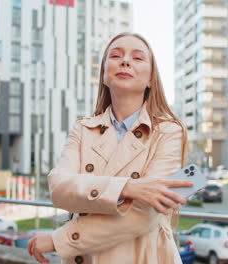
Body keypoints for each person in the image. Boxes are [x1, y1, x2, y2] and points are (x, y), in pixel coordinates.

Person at [28, 32, 192, 264]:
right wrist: (128, 188)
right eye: (115, 55)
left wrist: (60, 240)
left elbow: (144, 216)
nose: (125, 61)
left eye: (137, 58)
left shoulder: (168, 132)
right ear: (104, 74)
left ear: (151, 79)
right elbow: (59, 188)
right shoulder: (83, 129)